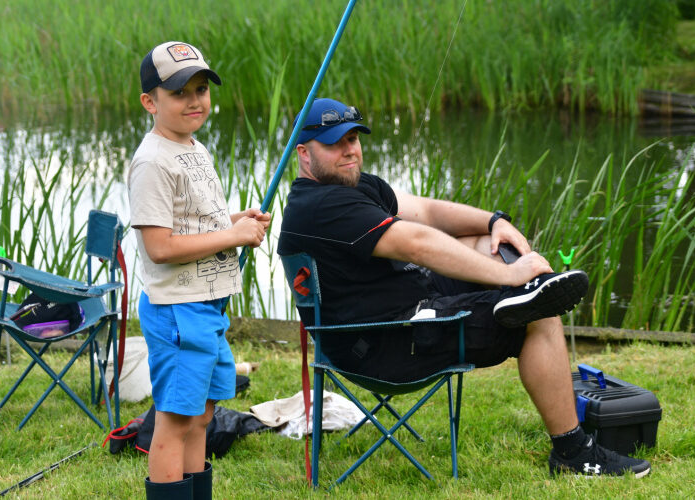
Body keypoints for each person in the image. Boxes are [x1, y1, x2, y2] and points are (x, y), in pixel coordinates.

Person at [277, 97, 651, 478]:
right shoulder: (321, 206)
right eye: (335, 143)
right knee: (540, 318)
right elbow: (416, 243)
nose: (349, 150)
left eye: (354, 138)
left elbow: (426, 211)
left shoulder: (352, 185)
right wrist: (508, 274)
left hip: (401, 308)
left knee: (481, 239)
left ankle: (519, 295)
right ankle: (573, 453)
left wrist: (494, 222)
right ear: (304, 153)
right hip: (385, 342)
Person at [127, 41, 271, 499]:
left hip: (207, 307)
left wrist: (235, 222)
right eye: (179, 92)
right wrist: (231, 238)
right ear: (150, 102)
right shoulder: (152, 162)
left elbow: (193, 225)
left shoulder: (194, 148)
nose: (195, 101)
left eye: (201, 88)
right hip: (176, 311)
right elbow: (159, 247)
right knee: (175, 419)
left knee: (203, 415)